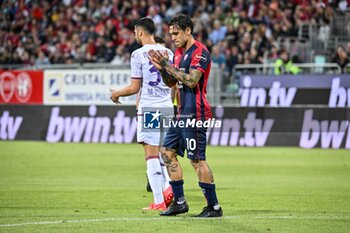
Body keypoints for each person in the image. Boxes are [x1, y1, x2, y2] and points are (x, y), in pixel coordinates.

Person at [148, 14, 223, 217]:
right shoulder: (179, 53)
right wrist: (163, 70)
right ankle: (180, 202)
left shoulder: (200, 52)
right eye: (171, 33)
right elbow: (172, 83)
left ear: (188, 30)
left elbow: (191, 81)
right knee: (167, 153)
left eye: (176, 33)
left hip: (196, 114)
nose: (173, 37)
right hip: (181, 113)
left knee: (197, 160)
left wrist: (168, 66)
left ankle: (214, 207)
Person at [110, 17, 174, 211]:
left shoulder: (138, 55)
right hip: (167, 106)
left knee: (151, 154)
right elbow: (173, 83)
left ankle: (158, 200)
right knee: (166, 153)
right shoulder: (168, 52)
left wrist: (117, 93)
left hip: (150, 108)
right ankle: (170, 186)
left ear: (139, 32)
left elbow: (134, 87)